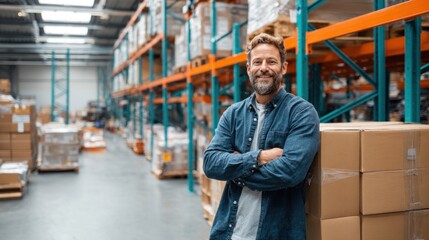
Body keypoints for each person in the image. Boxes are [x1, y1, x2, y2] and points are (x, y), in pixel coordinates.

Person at [203, 33, 320, 240]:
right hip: (230, 232)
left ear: (283, 68)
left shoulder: (301, 112)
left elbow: (290, 172)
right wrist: (259, 158)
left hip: (276, 233)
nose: (263, 67)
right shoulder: (233, 114)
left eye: (271, 61)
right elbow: (211, 163)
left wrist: (234, 170)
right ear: (249, 69)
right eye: (257, 62)